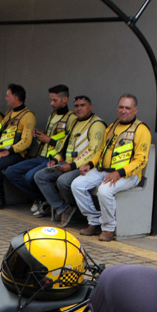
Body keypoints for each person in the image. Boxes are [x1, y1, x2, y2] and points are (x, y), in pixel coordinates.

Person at [70, 94, 152, 242]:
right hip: (104, 171)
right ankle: (94, 221)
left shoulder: (141, 130)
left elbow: (141, 160)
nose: (123, 111)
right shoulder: (113, 126)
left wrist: (119, 173)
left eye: (128, 108)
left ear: (136, 110)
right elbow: (101, 150)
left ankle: (108, 228)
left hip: (128, 175)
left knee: (104, 191)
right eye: (121, 107)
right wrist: (89, 164)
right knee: (77, 184)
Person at [34, 95, 106, 227]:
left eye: (82, 105)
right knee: (40, 176)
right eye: (76, 106)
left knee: (63, 181)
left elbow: (94, 152)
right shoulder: (75, 122)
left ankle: (74, 209)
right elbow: (65, 146)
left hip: (84, 167)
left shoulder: (96, 125)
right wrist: (56, 159)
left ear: (90, 107)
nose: (79, 108)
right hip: (67, 163)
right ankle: (64, 208)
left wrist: (72, 166)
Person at [4, 84, 75, 215]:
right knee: (11, 171)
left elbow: (69, 144)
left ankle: (46, 201)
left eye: (55, 100)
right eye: (51, 100)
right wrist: (38, 136)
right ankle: (40, 199)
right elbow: (47, 138)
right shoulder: (52, 116)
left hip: (54, 159)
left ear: (65, 100)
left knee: (31, 176)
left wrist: (49, 140)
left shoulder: (71, 119)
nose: (51, 103)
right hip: (41, 156)